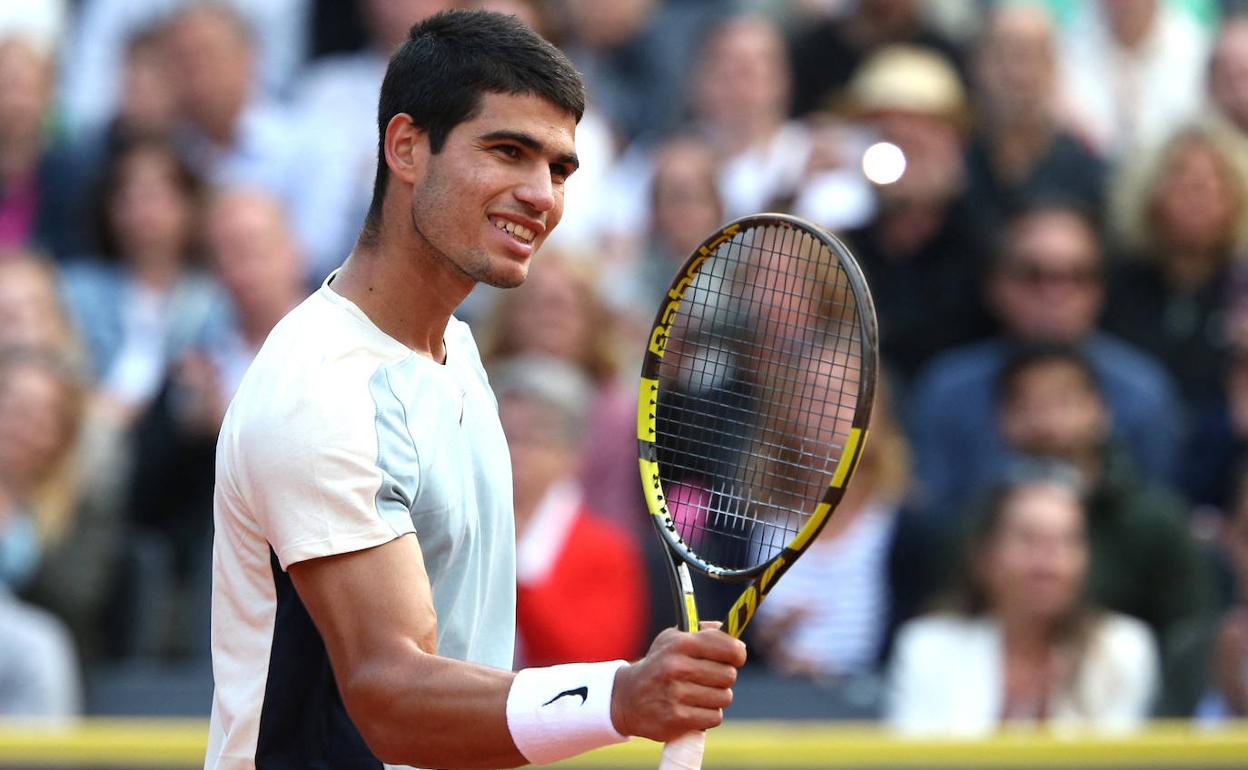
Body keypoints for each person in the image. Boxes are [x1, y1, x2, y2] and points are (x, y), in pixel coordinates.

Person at [207, 12, 745, 770]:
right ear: (405, 147)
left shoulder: (456, 347)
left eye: (559, 168)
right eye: (508, 151)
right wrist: (619, 698)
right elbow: (389, 691)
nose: (540, 195)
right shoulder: (320, 391)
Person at [909, 202, 1181, 517]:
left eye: (1076, 276)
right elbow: (929, 523)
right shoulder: (947, 389)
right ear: (995, 285)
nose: (1055, 294)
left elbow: (1161, 522)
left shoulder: (1144, 392)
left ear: (1100, 291)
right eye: (1033, 275)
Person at [989, 344, 1214, 716]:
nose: (1047, 423)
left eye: (1063, 400)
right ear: (1002, 420)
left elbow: (1192, 641)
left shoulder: (1157, 522)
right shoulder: (978, 522)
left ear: (1101, 410)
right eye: (1027, 404)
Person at [886, 467, 1158, 735]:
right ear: (985, 556)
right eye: (1029, 540)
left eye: (1067, 541)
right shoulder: (927, 648)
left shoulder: (1123, 649)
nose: (1049, 560)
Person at [495, 355, 648, 669]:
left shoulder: (607, 549)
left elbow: (593, 666)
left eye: (532, 440)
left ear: (572, 453)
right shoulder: (450, 527)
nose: (513, 454)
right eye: (502, 436)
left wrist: (512, 573)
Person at [1104, 125, 1247, 408]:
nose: (1200, 195)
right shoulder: (1112, 285)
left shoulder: (1241, 289)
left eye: (1215, 180)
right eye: (1183, 178)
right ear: (1149, 194)